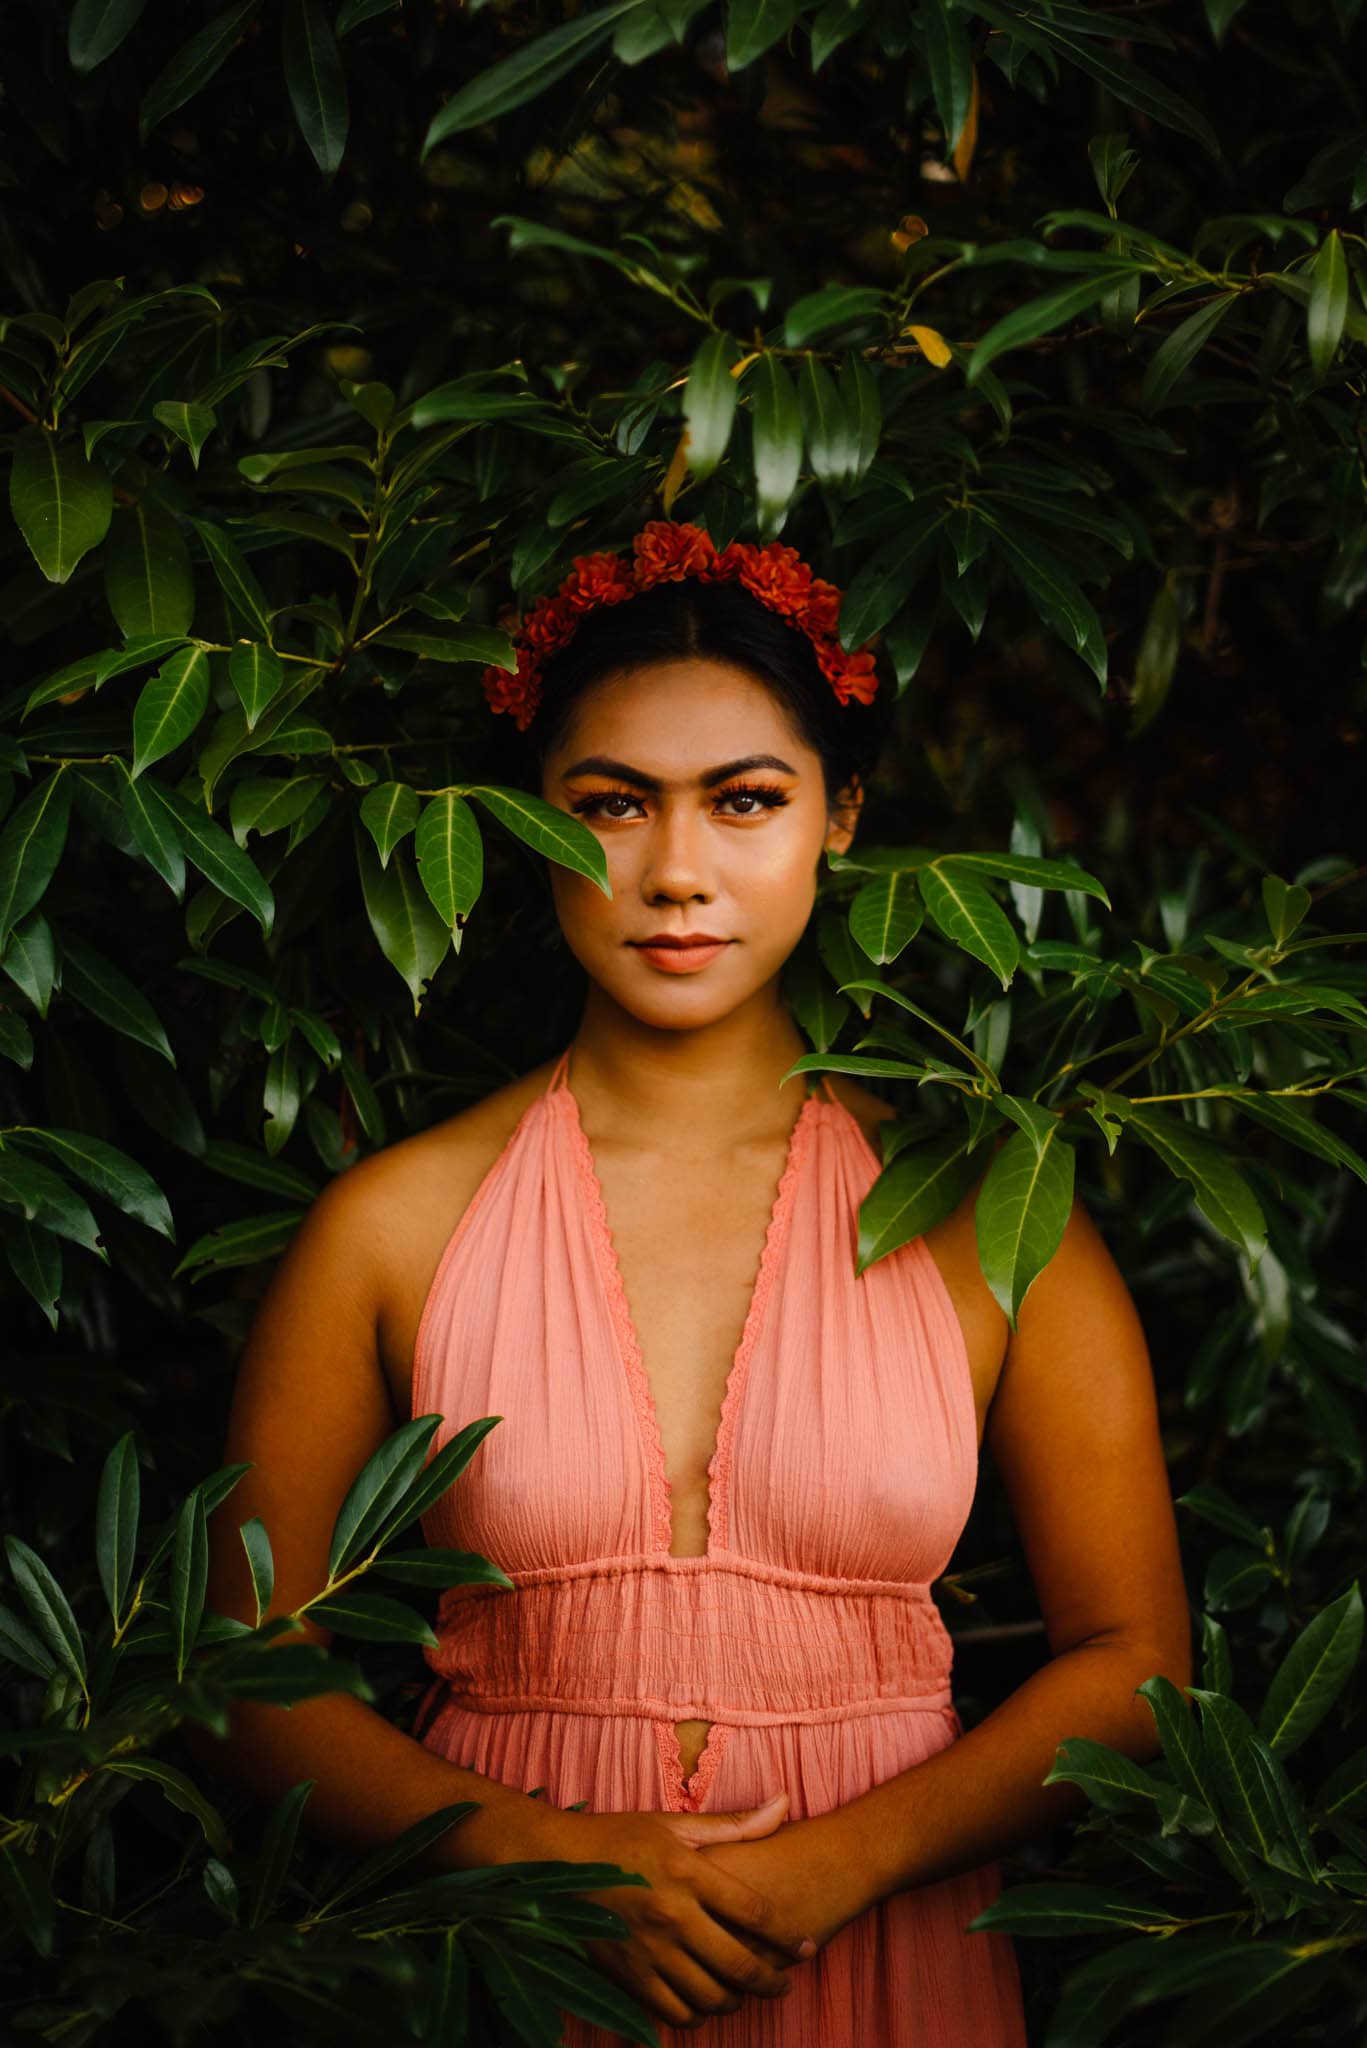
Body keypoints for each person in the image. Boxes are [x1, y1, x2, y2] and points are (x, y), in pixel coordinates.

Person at [190, 519, 1192, 2044]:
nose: (675, 873)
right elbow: (243, 1674)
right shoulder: (393, 1226)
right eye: (611, 804)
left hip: (886, 1952)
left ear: (839, 816)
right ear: (531, 825)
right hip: (521, 1961)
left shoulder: (993, 1217)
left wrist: (829, 1871)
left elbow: (1137, 1666)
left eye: (745, 802)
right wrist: (550, 1861)